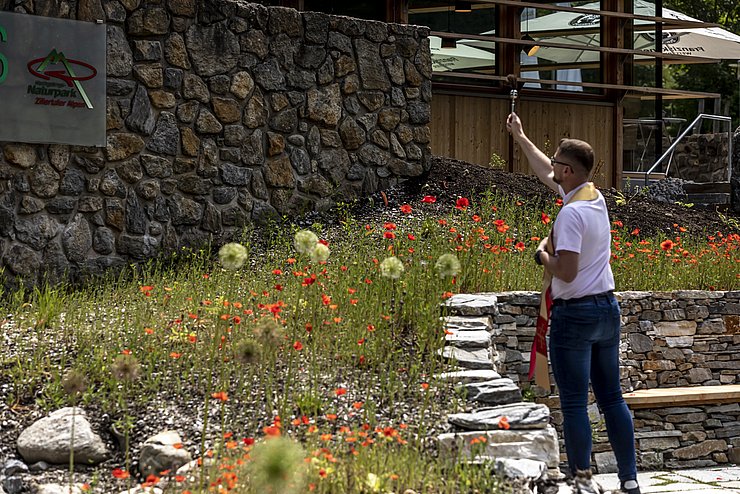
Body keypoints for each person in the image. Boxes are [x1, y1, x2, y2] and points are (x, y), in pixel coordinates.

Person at [506, 112, 640, 494]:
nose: (552, 168)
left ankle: (582, 480)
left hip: (575, 314)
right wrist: (520, 136)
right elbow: (547, 168)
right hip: (606, 309)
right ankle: (629, 480)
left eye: (557, 165)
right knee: (612, 398)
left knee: (576, 402)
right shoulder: (593, 198)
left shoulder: (569, 214)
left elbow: (565, 271)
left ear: (566, 171)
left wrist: (540, 254)